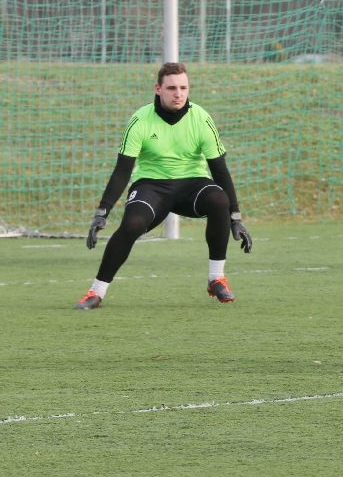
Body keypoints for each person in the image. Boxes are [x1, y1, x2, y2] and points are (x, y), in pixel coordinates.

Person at [78, 62, 252, 309]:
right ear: (158, 89)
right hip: (152, 186)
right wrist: (102, 212)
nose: (178, 93)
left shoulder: (201, 118)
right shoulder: (140, 120)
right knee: (133, 224)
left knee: (218, 200)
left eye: (183, 87)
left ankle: (216, 278)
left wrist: (235, 215)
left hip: (192, 184)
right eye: (171, 88)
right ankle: (96, 292)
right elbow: (122, 170)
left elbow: (219, 169)